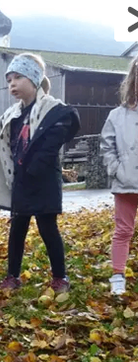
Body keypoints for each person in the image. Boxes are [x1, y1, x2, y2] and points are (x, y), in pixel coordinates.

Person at [0, 53, 80, 293]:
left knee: (48, 229)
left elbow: (53, 142)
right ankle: (12, 276)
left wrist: (34, 169)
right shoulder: (13, 115)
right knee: (17, 229)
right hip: (20, 182)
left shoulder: (53, 112)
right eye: (9, 79)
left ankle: (60, 277)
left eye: (17, 78)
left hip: (44, 181)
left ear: (34, 79)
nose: (11, 84)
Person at [100, 55, 138, 296]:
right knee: (123, 230)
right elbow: (106, 145)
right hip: (125, 182)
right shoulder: (117, 115)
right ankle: (117, 275)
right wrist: (116, 168)